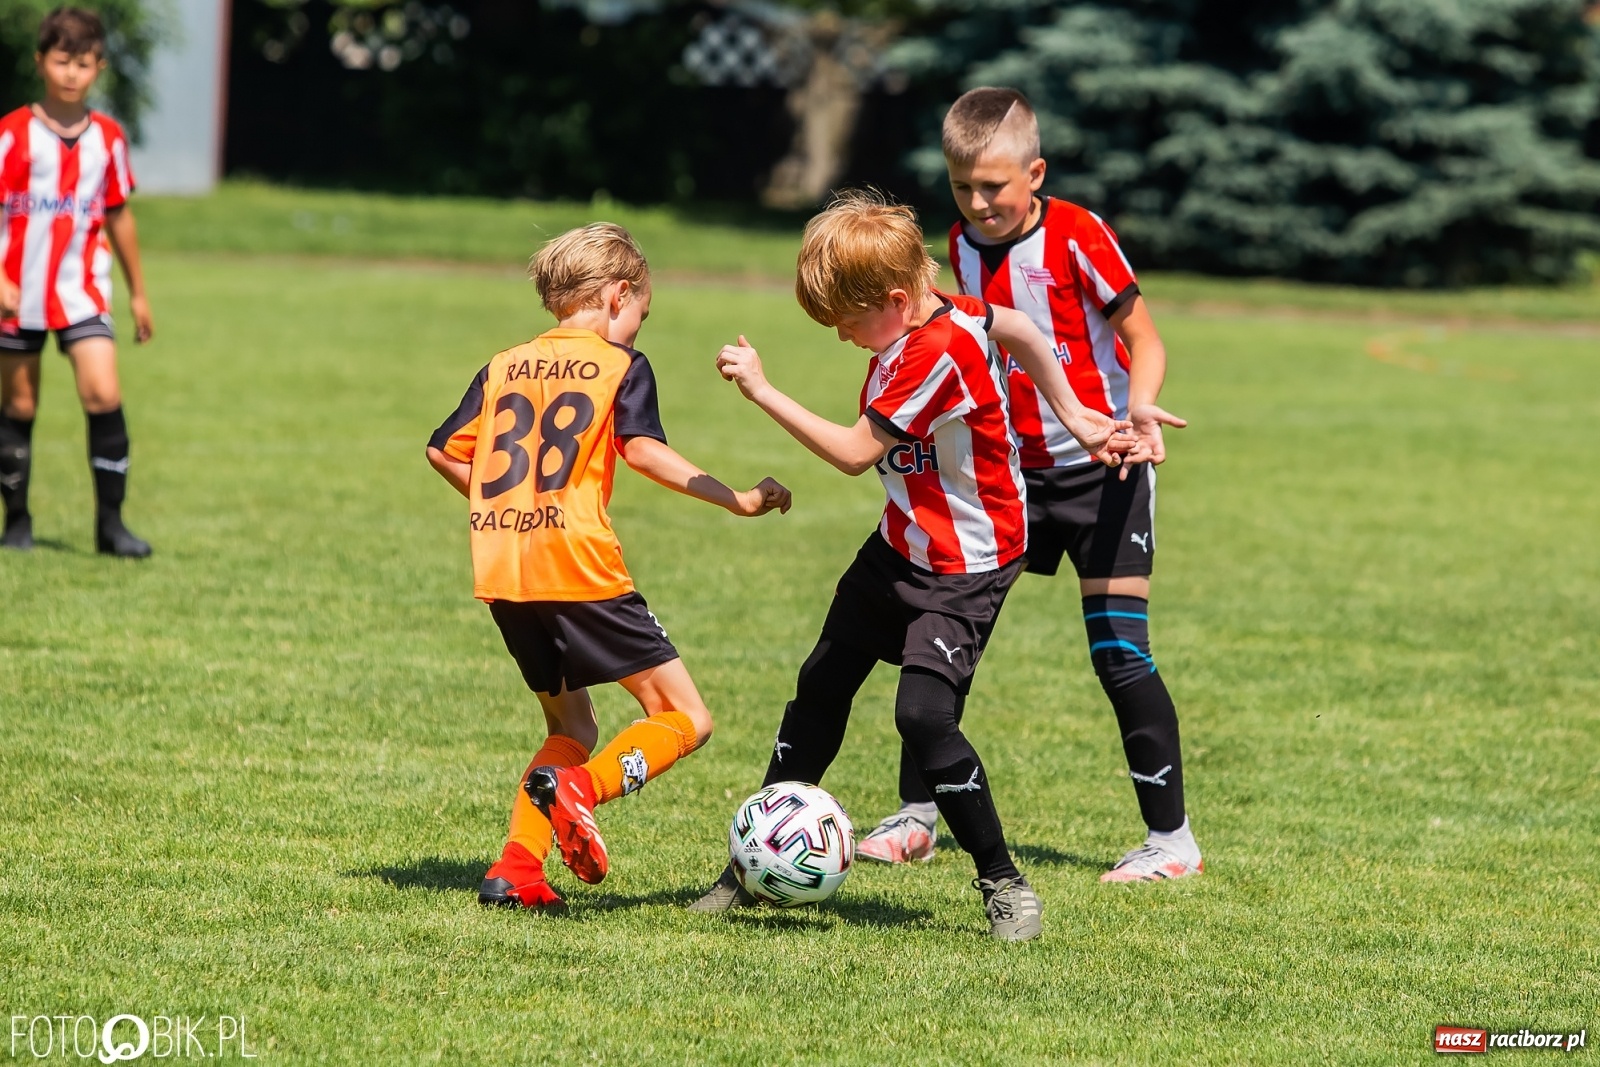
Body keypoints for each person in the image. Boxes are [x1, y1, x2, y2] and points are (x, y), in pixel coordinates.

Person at [690, 191, 1138, 940]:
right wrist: (1073, 412)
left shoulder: (937, 350)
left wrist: (761, 388)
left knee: (923, 716)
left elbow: (852, 452)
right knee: (820, 686)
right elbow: (1020, 326)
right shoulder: (945, 310)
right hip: (900, 545)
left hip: (968, 564)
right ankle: (747, 866)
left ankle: (1004, 883)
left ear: (898, 299)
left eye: (847, 321)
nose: (841, 337)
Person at [854, 87, 1203, 883]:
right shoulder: (958, 245)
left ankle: (1171, 841)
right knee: (942, 636)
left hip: (1104, 469)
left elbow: (1142, 338)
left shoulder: (1079, 235)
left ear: (1035, 173)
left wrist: (1138, 402)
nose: (978, 205)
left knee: (1118, 652)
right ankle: (916, 816)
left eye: (995, 188)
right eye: (962, 188)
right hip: (1008, 481)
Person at [426, 222, 791, 910]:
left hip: (506, 570)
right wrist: (739, 498)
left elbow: (445, 450)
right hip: (579, 562)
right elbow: (644, 449)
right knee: (684, 714)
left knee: (571, 728)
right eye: (641, 314)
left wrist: (509, 505)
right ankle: (581, 789)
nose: (637, 328)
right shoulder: (620, 363)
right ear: (619, 296)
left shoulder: (505, 362)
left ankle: (516, 870)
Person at [0, 6, 154, 556]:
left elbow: (119, 214)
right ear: (41, 61)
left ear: (99, 68)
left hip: (82, 290)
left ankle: (111, 526)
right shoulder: (12, 135)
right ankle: (16, 522)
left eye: (83, 63)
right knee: (19, 405)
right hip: (15, 296)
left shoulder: (107, 138)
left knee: (103, 392)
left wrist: (137, 291)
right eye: (62, 61)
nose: (71, 73)